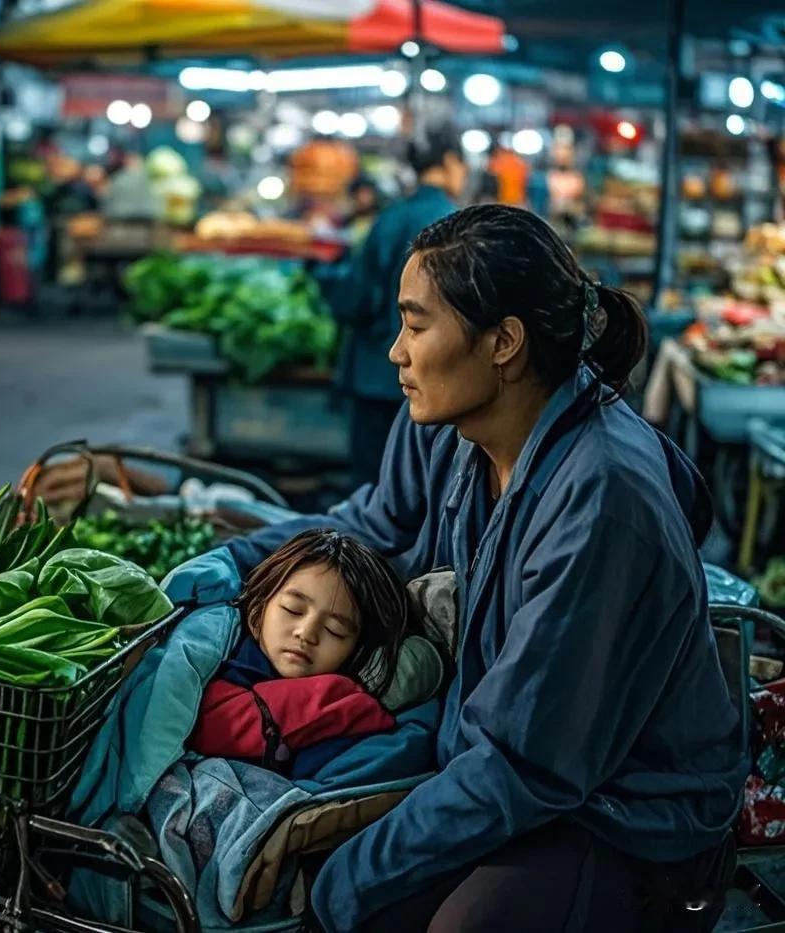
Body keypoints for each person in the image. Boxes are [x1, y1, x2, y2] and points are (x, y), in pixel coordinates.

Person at [185, 204, 746, 931]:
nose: (395, 351)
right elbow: (370, 529)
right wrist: (230, 567)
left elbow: (527, 764)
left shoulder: (602, 503)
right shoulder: (457, 431)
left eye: (417, 326)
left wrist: (340, 883)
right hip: (496, 766)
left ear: (502, 343)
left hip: (623, 816)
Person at [187, 529, 409, 780]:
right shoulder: (202, 671)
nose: (307, 634)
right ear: (258, 611)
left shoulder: (345, 718)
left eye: (334, 630)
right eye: (293, 609)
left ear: (358, 651)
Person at [318, 126, 467, 489]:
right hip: (433, 386)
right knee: (423, 497)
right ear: (449, 162)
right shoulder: (458, 224)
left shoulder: (388, 219)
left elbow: (354, 298)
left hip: (372, 380)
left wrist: (323, 276)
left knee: (372, 498)